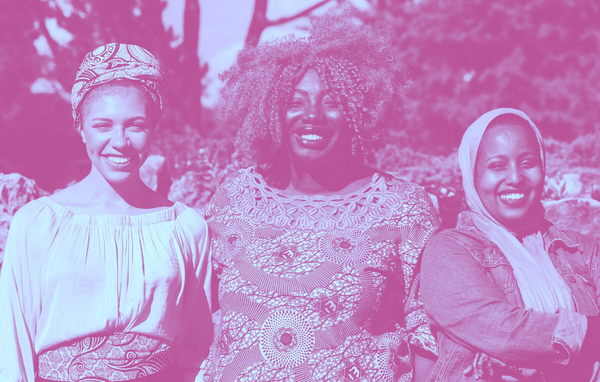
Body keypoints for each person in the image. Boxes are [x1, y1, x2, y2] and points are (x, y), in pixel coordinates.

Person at [201, 11, 440, 382]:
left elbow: (429, 337)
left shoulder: (403, 209)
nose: (312, 115)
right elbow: (195, 316)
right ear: (271, 112)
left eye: (333, 101)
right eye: (295, 101)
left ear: (361, 113)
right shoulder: (233, 200)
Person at [0, 43, 212, 382]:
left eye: (135, 125)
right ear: (81, 128)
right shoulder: (38, 223)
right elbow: (11, 350)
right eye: (103, 125)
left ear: (154, 127)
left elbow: (196, 351)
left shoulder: (186, 229)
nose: (120, 141)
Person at [421, 108, 600, 382]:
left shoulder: (582, 250)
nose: (515, 178)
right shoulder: (448, 252)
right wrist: (587, 336)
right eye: (497, 166)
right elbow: (500, 330)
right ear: (472, 175)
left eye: (528, 162)